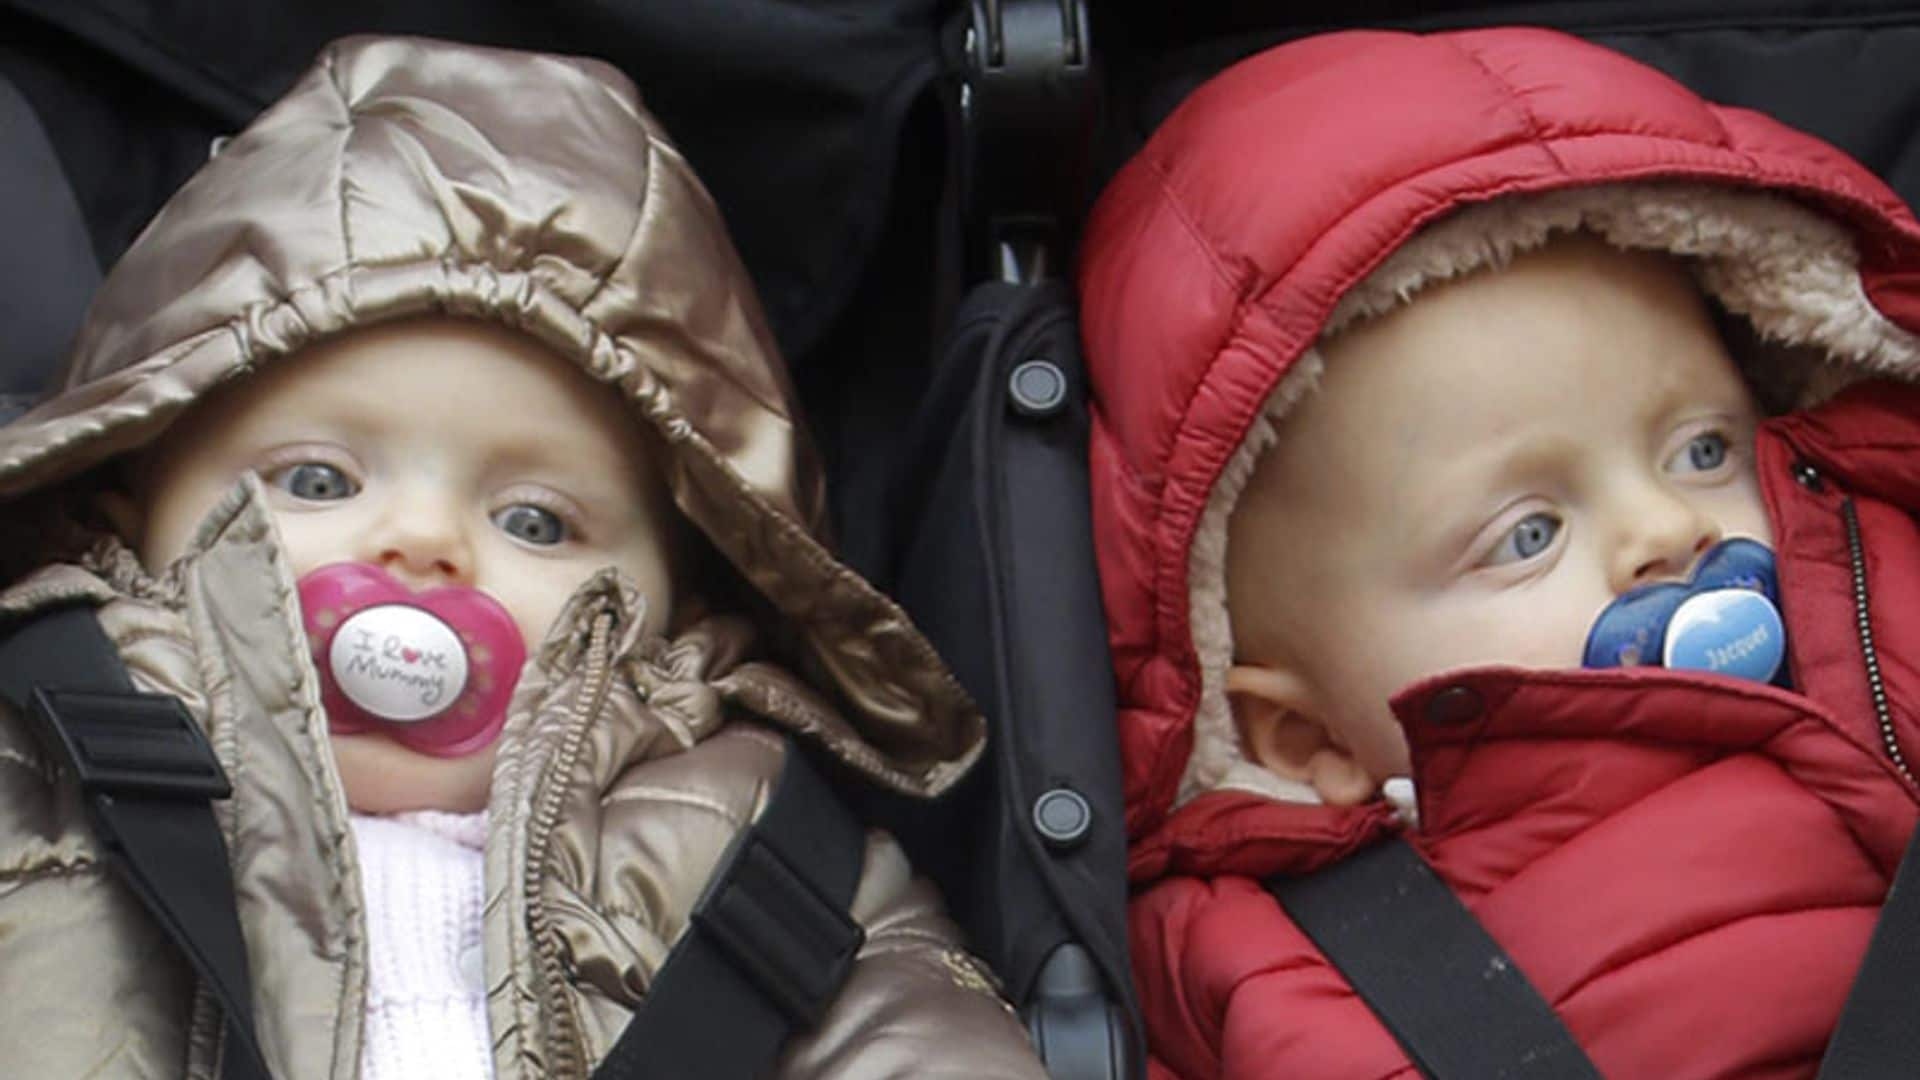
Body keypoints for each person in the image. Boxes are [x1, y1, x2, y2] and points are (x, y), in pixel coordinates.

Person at [0, 36, 1045, 1080]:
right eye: (318, 481)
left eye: (535, 522)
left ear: (676, 601)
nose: (423, 542)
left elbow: (916, 1033)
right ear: (131, 510)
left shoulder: (750, 839)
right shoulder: (30, 757)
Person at [1076, 25, 1920, 1079]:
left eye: (1702, 448)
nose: (1665, 527)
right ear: (1303, 737)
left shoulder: (1891, 608)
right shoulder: (1264, 962)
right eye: (1528, 535)